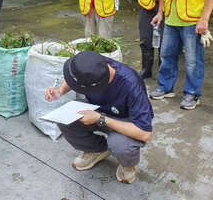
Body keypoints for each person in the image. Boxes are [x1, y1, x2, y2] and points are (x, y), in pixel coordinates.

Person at [45, 51, 153, 184]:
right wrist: (59, 91)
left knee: (119, 144)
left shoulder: (132, 85)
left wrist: (100, 119)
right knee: (64, 118)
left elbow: (145, 133)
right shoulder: (91, 66)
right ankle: (97, 150)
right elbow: (73, 79)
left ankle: (128, 164)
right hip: (96, 110)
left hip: (125, 120)